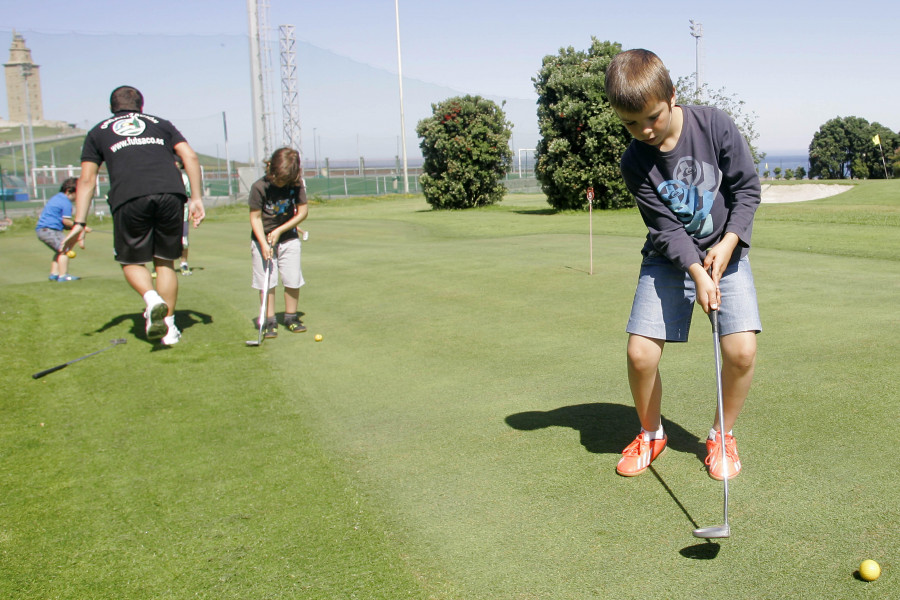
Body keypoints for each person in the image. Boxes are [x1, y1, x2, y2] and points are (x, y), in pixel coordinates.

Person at [604, 49, 761, 480]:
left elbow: (747, 191)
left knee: (742, 351)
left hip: (726, 253)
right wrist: (695, 271)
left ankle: (721, 434)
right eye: (630, 124)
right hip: (668, 260)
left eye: (652, 117)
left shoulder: (715, 125)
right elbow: (665, 229)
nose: (644, 131)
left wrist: (727, 246)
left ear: (672, 95)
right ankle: (651, 433)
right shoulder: (634, 160)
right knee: (640, 355)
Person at [62, 85, 205, 345]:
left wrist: (79, 222)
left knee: (131, 262)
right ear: (141, 106)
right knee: (165, 262)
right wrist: (196, 198)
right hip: (171, 193)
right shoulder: (161, 124)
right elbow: (190, 157)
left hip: (130, 195)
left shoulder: (98, 131)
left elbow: (86, 179)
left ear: (111, 108)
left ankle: (151, 299)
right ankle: (170, 330)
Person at [249, 147, 309, 337]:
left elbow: (303, 212)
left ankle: (291, 317)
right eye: (277, 178)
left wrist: (280, 230)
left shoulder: (296, 185)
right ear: (271, 169)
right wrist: (263, 243)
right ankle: (269, 320)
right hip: (262, 240)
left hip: (288, 238)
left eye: (284, 180)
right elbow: (255, 218)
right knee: (267, 282)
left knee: (292, 279)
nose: (280, 183)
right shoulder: (259, 187)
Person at [36, 177, 90, 281]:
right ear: (69, 191)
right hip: (49, 230)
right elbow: (66, 221)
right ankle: (63, 275)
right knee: (64, 249)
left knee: (60, 250)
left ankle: (54, 274)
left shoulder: (57, 197)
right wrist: (80, 226)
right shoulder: (65, 202)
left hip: (44, 230)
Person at [176, 159, 192, 275]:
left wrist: (192, 209)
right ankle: (160, 266)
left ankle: (184, 263)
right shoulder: (162, 175)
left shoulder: (185, 178)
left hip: (183, 213)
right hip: (166, 214)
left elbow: (189, 195)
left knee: (184, 241)